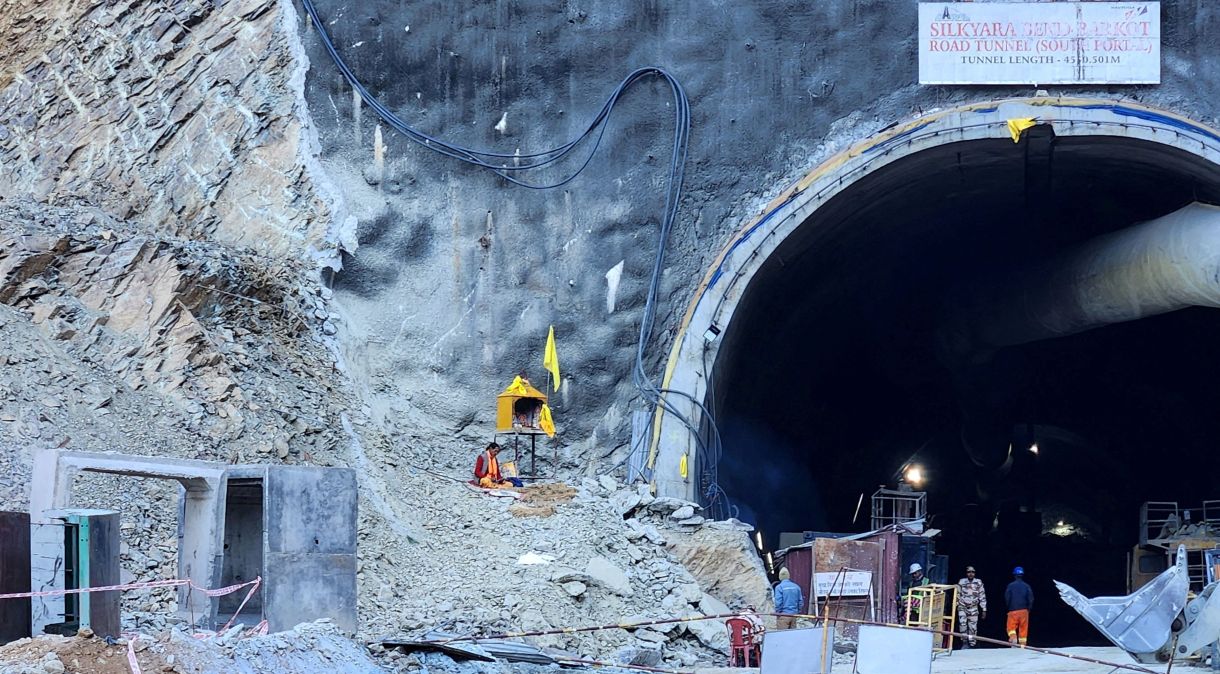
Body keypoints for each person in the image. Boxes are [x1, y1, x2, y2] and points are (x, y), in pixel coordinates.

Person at [957, 565, 987, 648]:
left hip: (973, 607)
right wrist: (956, 604)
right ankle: (964, 642)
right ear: (966, 573)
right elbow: (957, 594)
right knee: (962, 625)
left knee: (972, 627)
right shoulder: (962, 582)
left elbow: (982, 596)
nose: (971, 574)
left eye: (972, 572)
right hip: (962, 607)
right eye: (969, 572)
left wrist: (984, 609)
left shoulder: (978, 582)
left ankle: (972, 644)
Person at [1005, 566, 1034, 645]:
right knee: (1023, 629)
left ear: (1014, 575)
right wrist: (1028, 609)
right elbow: (1031, 599)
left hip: (1013, 610)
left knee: (1011, 627)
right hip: (1024, 611)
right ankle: (1022, 646)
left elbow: (1007, 598)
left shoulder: (1010, 586)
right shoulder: (1027, 586)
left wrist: (1009, 607)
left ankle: (1013, 638)